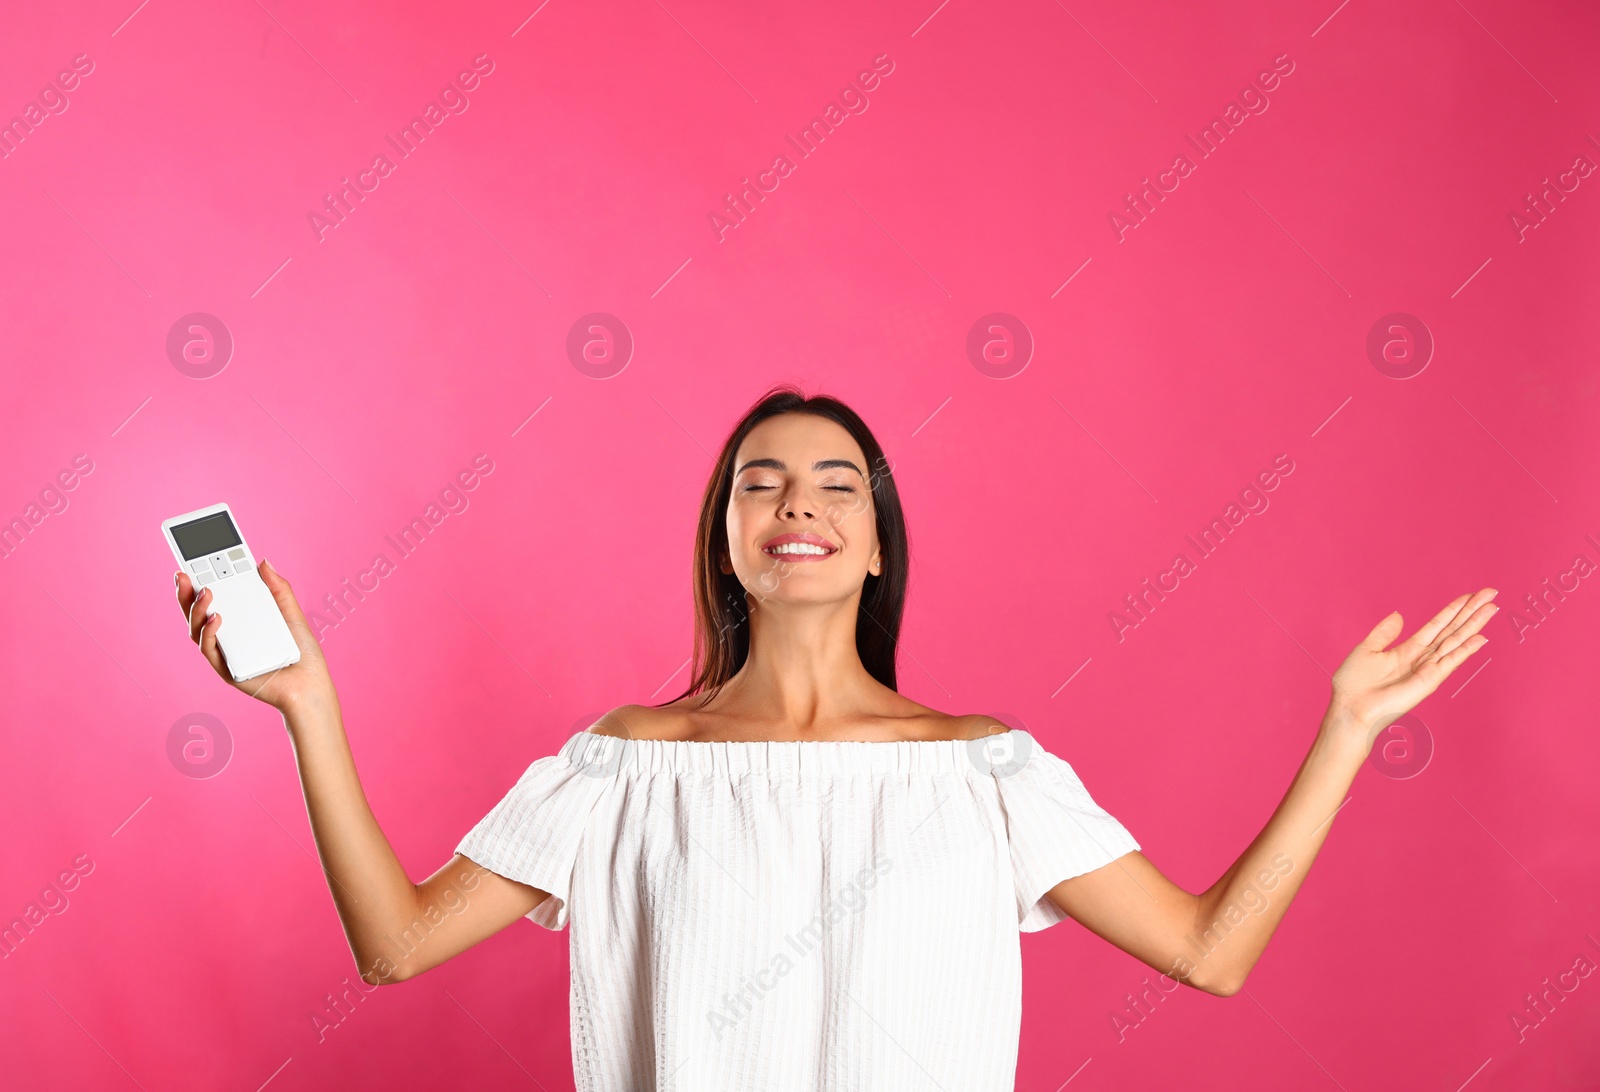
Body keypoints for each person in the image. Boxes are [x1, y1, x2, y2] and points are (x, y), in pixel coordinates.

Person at [173, 385, 1496, 1090]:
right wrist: (310, 710)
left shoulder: (988, 771)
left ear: (873, 547)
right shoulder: (623, 767)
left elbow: (1212, 954)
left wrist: (1346, 729)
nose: (795, 502)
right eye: (761, 481)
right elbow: (395, 949)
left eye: (833, 482)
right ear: (730, 541)